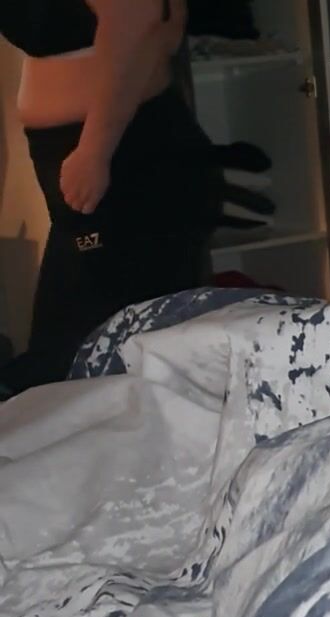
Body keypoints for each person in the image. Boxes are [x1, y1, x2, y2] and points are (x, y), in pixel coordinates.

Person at [0, 0, 222, 400]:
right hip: (97, 172)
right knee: (73, 362)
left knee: (84, 362)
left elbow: (141, 18)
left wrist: (95, 150)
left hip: (128, 167)